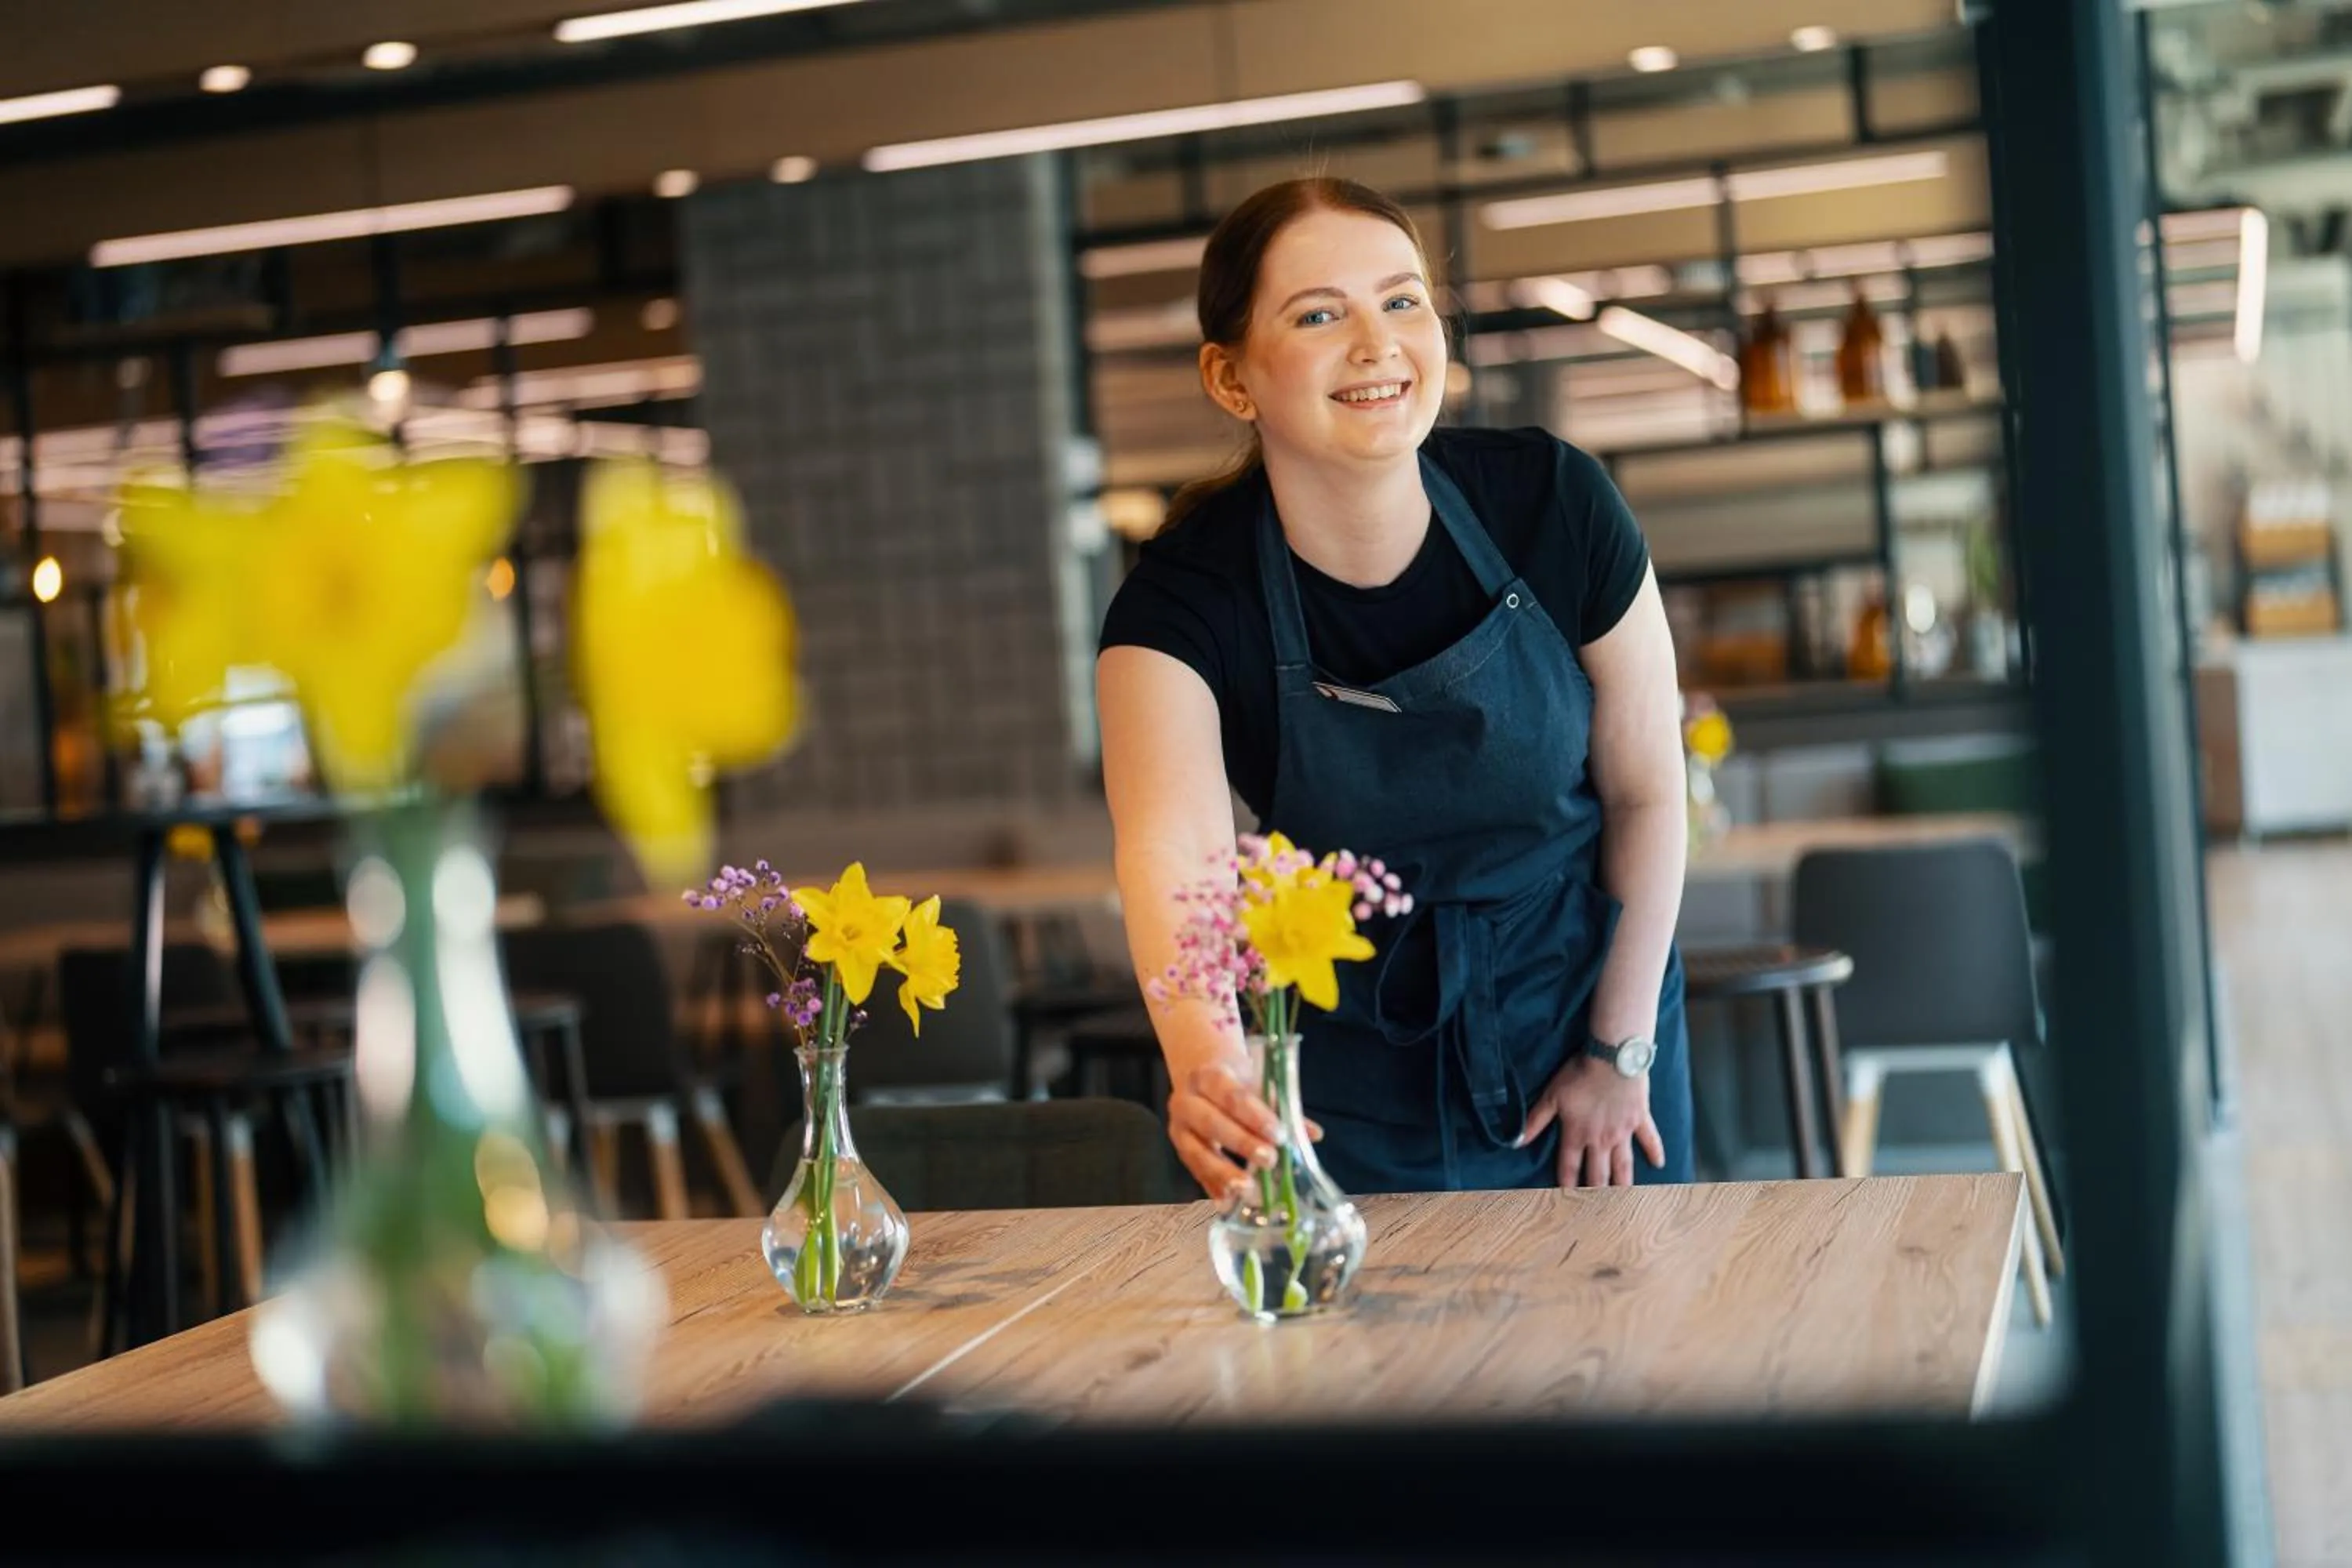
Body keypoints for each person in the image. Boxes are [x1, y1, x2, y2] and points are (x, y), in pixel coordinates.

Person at [1094, 176, 1693, 1197]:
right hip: (1340, 1077)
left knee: (1629, 1342)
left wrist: (1617, 1052)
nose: (1377, 343)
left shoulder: (1555, 505)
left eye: (1403, 300)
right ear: (1230, 378)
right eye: (1320, 314)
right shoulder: (1182, 601)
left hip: (1587, 1029)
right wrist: (1214, 1064)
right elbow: (1176, 869)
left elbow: (1648, 793)